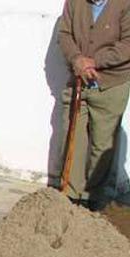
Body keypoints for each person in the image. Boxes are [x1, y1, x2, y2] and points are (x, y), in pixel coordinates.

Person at [57, 0, 130, 210]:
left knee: (102, 145)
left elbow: (127, 44)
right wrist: (77, 59)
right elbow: (64, 34)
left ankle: (94, 201)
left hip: (111, 84)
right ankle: (70, 198)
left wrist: (94, 61)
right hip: (78, 80)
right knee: (71, 138)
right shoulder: (74, 2)